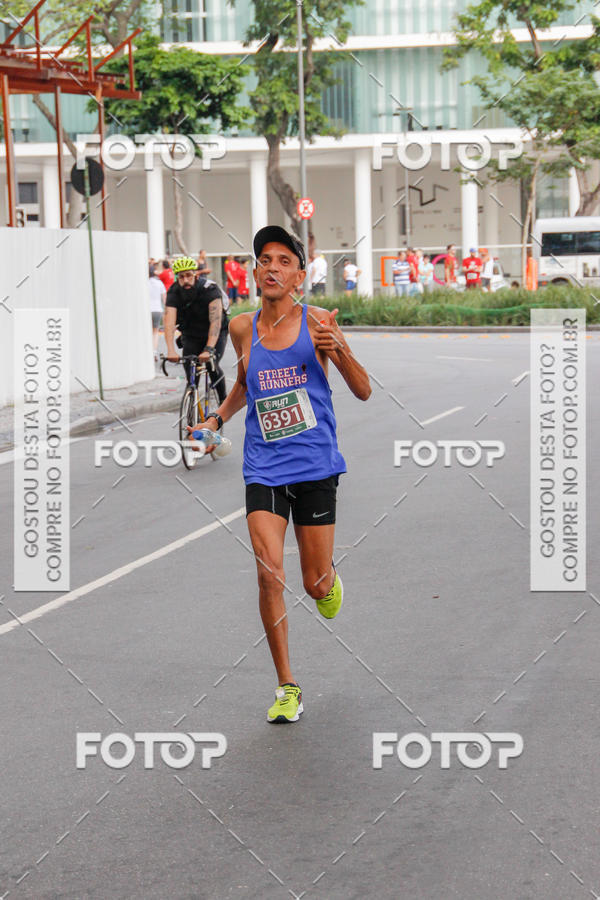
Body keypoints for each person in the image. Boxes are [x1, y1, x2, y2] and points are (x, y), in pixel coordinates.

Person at [190, 226, 371, 724]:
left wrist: (341, 349)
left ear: (299, 275)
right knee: (269, 572)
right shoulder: (243, 328)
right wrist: (215, 420)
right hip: (263, 467)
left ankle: (328, 581)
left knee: (313, 584)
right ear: (254, 270)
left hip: (314, 465)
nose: (272, 267)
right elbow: (245, 386)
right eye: (264, 259)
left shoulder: (318, 322)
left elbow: (363, 391)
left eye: (283, 261)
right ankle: (287, 685)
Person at [164, 257, 229, 405]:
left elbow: (216, 322)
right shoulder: (174, 292)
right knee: (190, 369)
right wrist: (170, 351)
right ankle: (191, 399)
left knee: (212, 365)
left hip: (215, 332)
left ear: (196, 275)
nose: (185, 280)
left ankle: (224, 401)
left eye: (188, 275)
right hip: (191, 333)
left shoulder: (209, 289)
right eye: (181, 277)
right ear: (177, 278)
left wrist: (208, 349)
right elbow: (169, 323)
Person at [148, 264, 166, 361]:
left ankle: (147, 351)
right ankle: (154, 351)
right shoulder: (159, 283)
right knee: (155, 332)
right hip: (157, 309)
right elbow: (164, 298)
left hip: (146, 310)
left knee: (146, 332)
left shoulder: (143, 283)